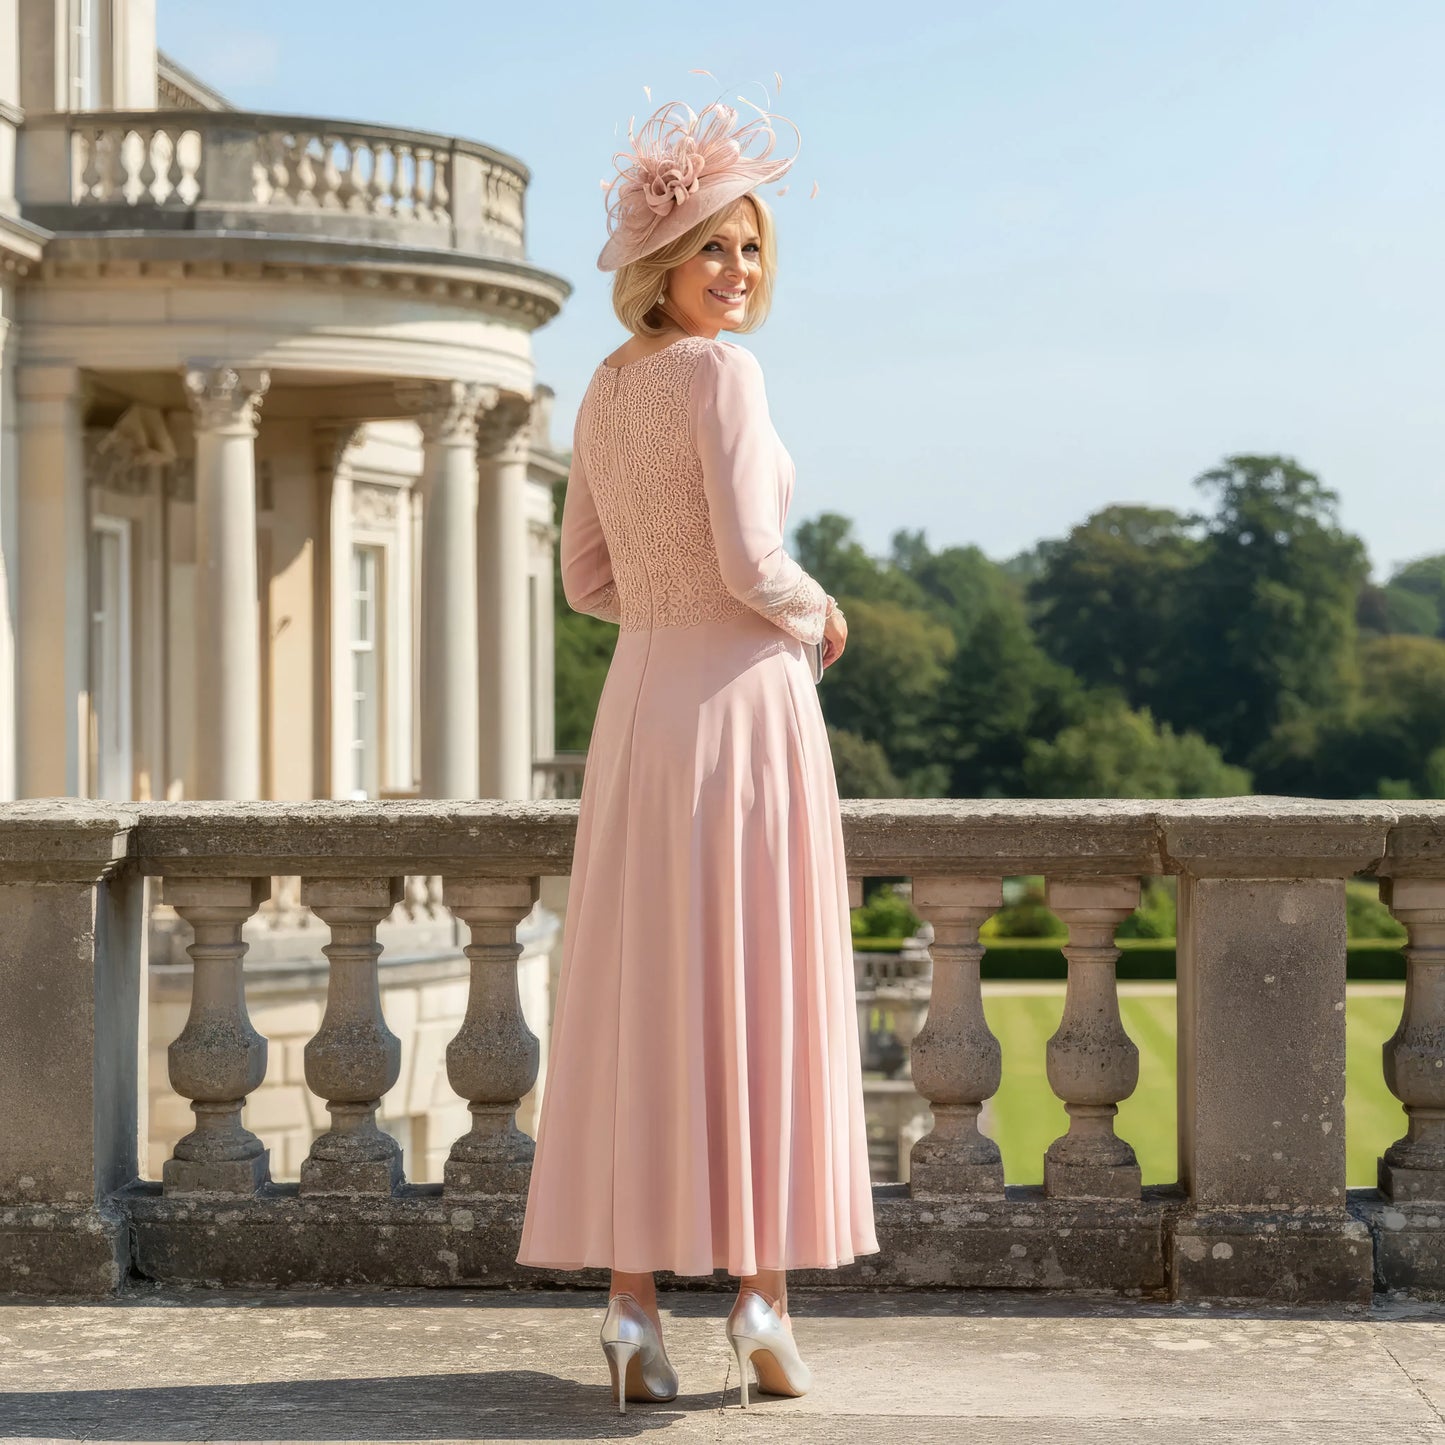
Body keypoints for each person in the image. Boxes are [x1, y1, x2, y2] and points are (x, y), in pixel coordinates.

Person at [515, 88, 879, 1413]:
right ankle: (764, 1300)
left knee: (641, 1002)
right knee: (756, 990)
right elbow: (751, 557)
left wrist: (678, 611)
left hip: (641, 712)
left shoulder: (605, 390)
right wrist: (816, 610)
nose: (735, 273)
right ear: (659, 265)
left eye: (751, 250)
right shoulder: (724, 374)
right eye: (714, 247)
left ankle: (628, 1315)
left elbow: (587, 583)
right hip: (742, 709)